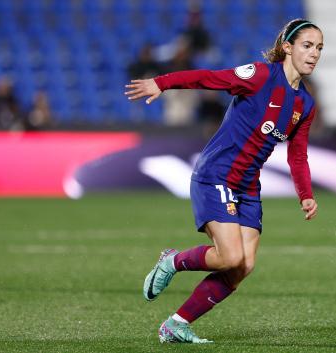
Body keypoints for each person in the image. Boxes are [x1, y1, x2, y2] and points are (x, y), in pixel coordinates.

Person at [124, 19, 322, 344]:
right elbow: (208, 77)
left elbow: (297, 156)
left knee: (243, 266)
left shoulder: (305, 104)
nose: (314, 54)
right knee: (229, 256)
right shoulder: (260, 76)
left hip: (248, 187)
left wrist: (306, 195)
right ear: (287, 47)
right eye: (307, 45)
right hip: (217, 174)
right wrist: (162, 82)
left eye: (318, 48)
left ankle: (176, 324)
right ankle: (173, 261)